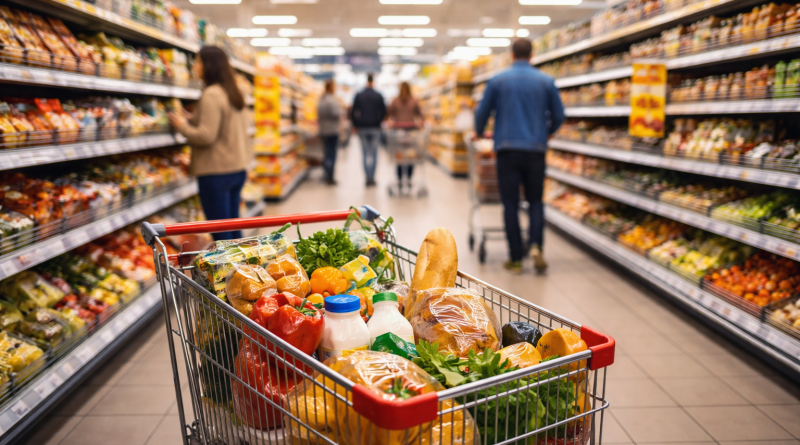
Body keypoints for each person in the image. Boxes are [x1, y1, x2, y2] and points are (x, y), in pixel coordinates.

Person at [474, 38, 565, 274]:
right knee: (535, 200)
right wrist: (548, 133)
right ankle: (535, 245)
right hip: (535, 149)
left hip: (506, 149)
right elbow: (559, 114)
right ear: (532, 55)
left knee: (510, 203)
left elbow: (482, 112)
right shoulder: (546, 81)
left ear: (511, 55)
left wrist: (479, 132)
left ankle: (515, 257)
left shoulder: (497, 80)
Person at [168, 46, 251, 241]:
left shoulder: (212, 94)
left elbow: (206, 136)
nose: (195, 66)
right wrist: (192, 118)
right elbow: (222, 126)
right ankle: (242, 269)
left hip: (216, 174)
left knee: (221, 234)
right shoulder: (231, 91)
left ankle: (228, 271)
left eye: (197, 62)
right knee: (233, 230)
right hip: (236, 169)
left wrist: (181, 125)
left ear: (209, 65)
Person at [350, 73, 386, 187]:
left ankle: (367, 178)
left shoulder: (359, 95)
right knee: (374, 153)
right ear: (373, 81)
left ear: (366, 81)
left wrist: (355, 124)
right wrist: (379, 121)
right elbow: (384, 111)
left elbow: (353, 111)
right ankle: (372, 178)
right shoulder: (378, 95)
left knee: (365, 153)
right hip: (375, 127)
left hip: (362, 127)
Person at [387, 81, 424, 190]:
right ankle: (408, 178)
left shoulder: (395, 101)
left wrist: (391, 122)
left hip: (397, 131)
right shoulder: (413, 100)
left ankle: (399, 179)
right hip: (411, 131)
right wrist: (421, 123)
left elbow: (390, 114)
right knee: (410, 155)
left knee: (399, 155)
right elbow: (420, 114)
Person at [318, 79, 342, 185]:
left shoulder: (321, 99)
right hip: (332, 130)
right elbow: (336, 113)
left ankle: (326, 174)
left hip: (323, 129)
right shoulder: (331, 100)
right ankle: (330, 177)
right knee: (332, 153)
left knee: (326, 153)